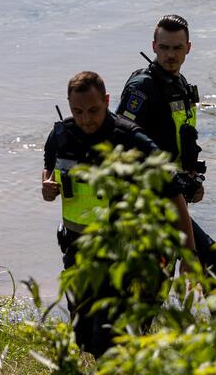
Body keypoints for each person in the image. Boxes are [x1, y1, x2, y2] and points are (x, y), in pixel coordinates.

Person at [42, 71, 196, 358]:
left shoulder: (130, 139)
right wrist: (47, 186)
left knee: (107, 334)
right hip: (78, 249)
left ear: (107, 101)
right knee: (84, 335)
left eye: (93, 110)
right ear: (68, 105)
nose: (86, 119)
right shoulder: (62, 135)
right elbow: (50, 167)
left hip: (122, 252)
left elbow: (173, 192)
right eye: (78, 111)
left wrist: (188, 252)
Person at [116, 14, 216, 277]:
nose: (170, 55)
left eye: (177, 48)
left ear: (188, 48)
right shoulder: (141, 87)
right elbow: (121, 141)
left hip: (174, 196)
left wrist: (192, 179)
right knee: (208, 263)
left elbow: (182, 141)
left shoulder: (179, 85)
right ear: (154, 46)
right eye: (164, 47)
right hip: (148, 201)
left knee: (204, 265)